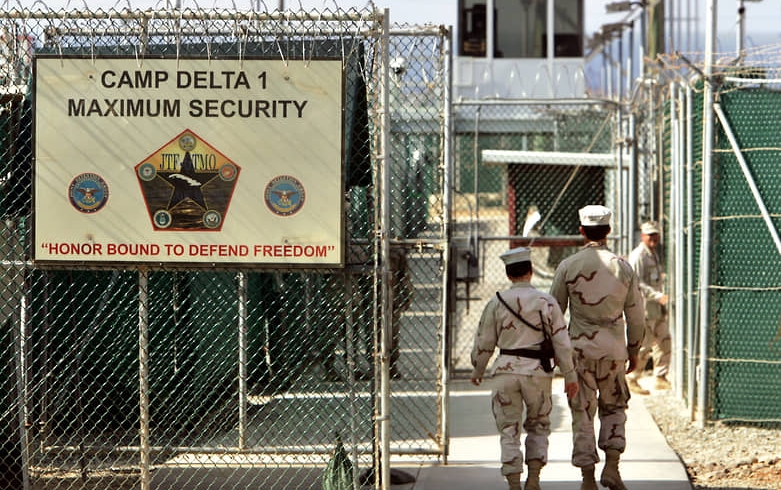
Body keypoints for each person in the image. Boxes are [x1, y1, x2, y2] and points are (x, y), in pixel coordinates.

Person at [549, 205, 645, 490]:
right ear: (609, 231)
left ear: (581, 231)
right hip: (613, 351)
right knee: (615, 408)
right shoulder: (623, 266)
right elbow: (636, 315)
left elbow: (554, 314)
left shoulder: (568, 266)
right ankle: (612, 467)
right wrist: (634, 349)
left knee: (582, 412)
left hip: (578, 353)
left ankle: (588, 478)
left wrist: (556, 352)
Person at [471, 246, 579, 490]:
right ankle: (533, 479)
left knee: (508, 429)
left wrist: (478, 369)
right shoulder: (547, 302)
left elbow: (484, 341)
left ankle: (513, 483)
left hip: (505, 371)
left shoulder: (497, 302)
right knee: (538, 425)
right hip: (537, 372)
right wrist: (570, 375)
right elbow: (562, 342)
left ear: (508, 274)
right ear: (530, 271)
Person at [626, 220, 672, 394]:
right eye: (649, 235)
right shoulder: (639, 256)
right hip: (644, 308)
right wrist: (657, 295)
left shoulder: (653, 253)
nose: (653, 238)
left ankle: (660, 377)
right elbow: (636, 283)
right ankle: (631, 378)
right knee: (644, 345)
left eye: (655, 235)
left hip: (656, 308)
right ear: (643, 236)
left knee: (664, 340)